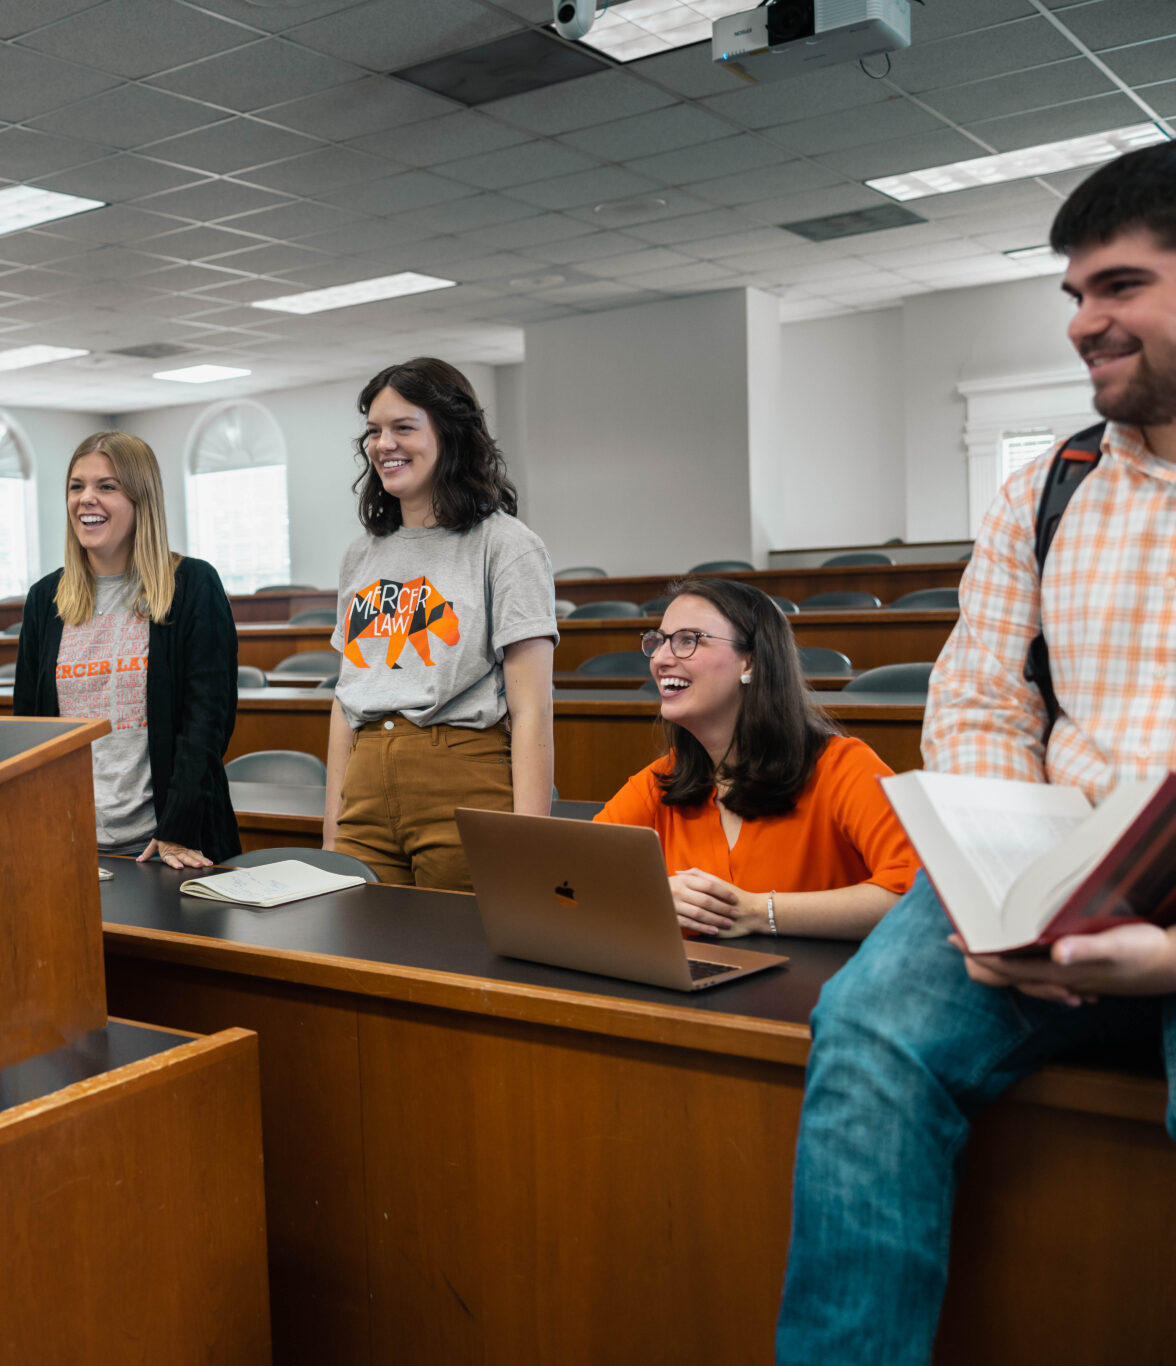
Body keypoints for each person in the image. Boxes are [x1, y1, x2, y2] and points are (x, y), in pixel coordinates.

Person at [775, 143, 1176, 1363]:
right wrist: (1019, 885)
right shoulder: (1042, 491)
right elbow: (977, 702)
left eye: (1115, 287)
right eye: (1070, 295)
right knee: (867, 1030)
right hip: (1052, 866)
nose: (1081, 324)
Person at [322, 357, 556, 890]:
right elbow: (346, 697)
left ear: (451, 435)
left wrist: (532, 841)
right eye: (374, 432)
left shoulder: (506, 545)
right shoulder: (361, 555)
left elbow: (532, 710)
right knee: (360, 959)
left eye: (404, 427)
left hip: (464, 782)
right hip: (365, 788)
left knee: (460, 957)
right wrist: (332, 829)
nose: (384, 444)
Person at [594, 578, 918, 939]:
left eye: (688, 640)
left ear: (751, 661)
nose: (661, 658)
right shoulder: (659, 782)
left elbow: (917, 895)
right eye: (658, 641)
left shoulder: (844, 767)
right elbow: (575, 875)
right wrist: (650, 895)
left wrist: (758, 912)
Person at [13, 431, 239, 868]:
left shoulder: (191, 585)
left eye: (107, 487)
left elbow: (207, 722)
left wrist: (176, 830)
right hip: (71, 844)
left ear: (142, 499)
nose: (86, 499)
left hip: (169, 846)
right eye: (76, 487)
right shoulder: (46, 599)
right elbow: (28, 729)